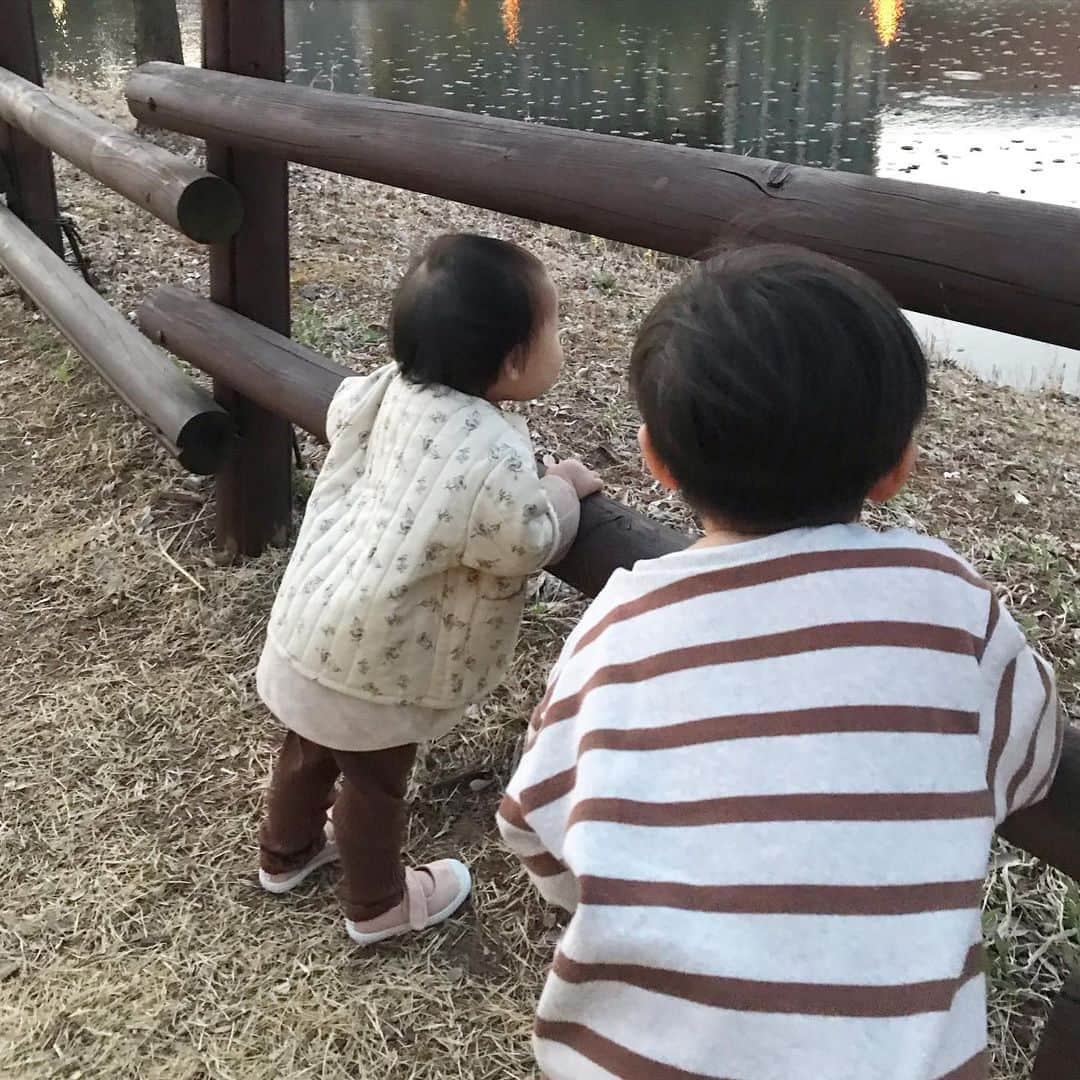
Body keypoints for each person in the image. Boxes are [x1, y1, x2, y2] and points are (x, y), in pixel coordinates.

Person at [498, 246, 1064, 1080]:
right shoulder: (951, 604)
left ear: (656, 459)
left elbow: (533, 822)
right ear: (897, 468)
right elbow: (1032, 760)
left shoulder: (619, 620)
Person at [256, 233, 601, 946]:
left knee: (307, 749)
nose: (562, 341)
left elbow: (343, 415)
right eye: (555, 327)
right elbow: (527, 538)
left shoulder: (382, 388)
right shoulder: (487, 448)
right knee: (374, 783)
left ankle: (284, 854)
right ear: (512, 362)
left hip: (310, 626)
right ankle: (379, 905)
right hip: (379, 666)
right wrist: (561, 488)